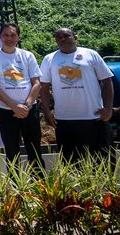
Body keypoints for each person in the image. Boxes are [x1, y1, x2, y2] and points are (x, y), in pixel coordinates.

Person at [39, 27, 114, 163]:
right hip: (65, 120)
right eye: (58, 37)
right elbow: (43, 87)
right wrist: (47, 111)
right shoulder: (49, 59)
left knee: (102, 162)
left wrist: (108, 108)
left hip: (94, 117)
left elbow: (107, 81)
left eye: (66, 36)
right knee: (71, 163)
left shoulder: (91, 54)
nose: (62, 39)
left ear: (75, 37)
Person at [0, 23, 45, 176]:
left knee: (35, 151)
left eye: (13, 35)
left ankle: (40, 186)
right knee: (12, 153)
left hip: (29, 110)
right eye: (5, 35)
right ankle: (14, 188)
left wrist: (26, 105)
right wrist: (14, 107)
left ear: (18, 37)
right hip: (5, 111)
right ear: (0, 37)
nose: (9, 38)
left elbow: (36, 83)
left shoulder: (27, 55)